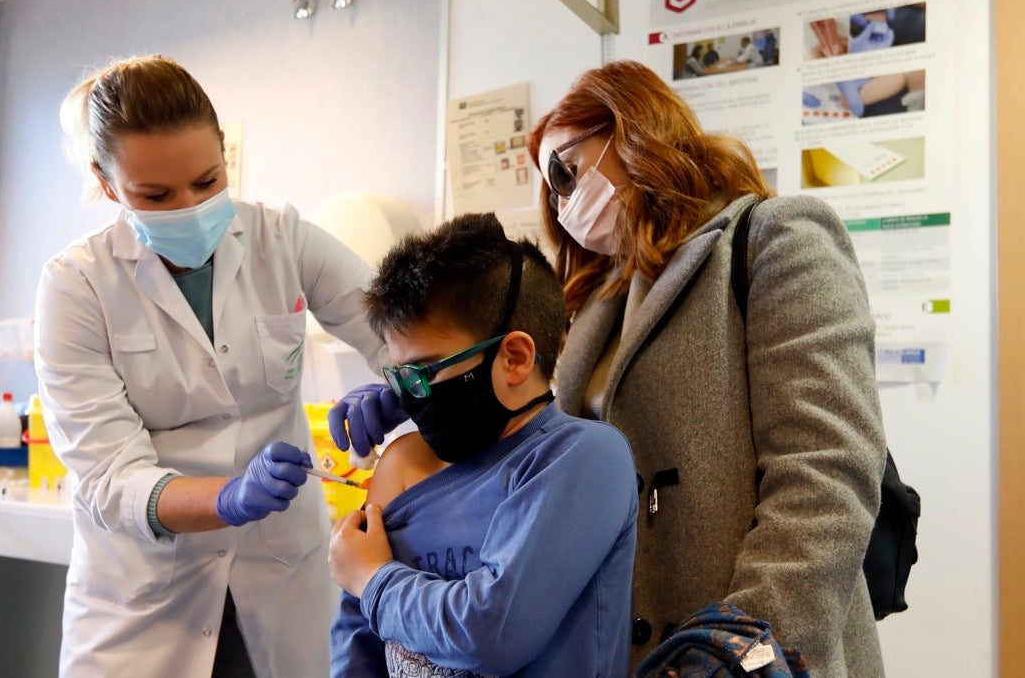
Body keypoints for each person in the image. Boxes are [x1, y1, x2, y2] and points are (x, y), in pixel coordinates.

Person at [525, 59, 887, 676]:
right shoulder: (596, 300)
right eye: (549, 187)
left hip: (744, 650)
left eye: (565, 169)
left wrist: (736, 654)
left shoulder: (774, 237)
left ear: (629, 128)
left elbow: (826, 474)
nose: (562, 202)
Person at [35, 54, 388, 677]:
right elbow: (108, 476)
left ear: (225, 153)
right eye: (156, 194)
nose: (189, 207)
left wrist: (401, 387)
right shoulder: (77, 285)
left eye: (206, 181)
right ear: (107, 180)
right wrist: (226, 498)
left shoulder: (284, 240)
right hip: (145, 596)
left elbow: (397, 326)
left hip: (280, 570)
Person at [326, 213, 637, 676]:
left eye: (425, 372)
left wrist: (373, 579)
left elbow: (492, 632)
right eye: (401, 376)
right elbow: (357, 639)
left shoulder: (583, 457)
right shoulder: (404, 464)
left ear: (514, 357)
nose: (411, 394)